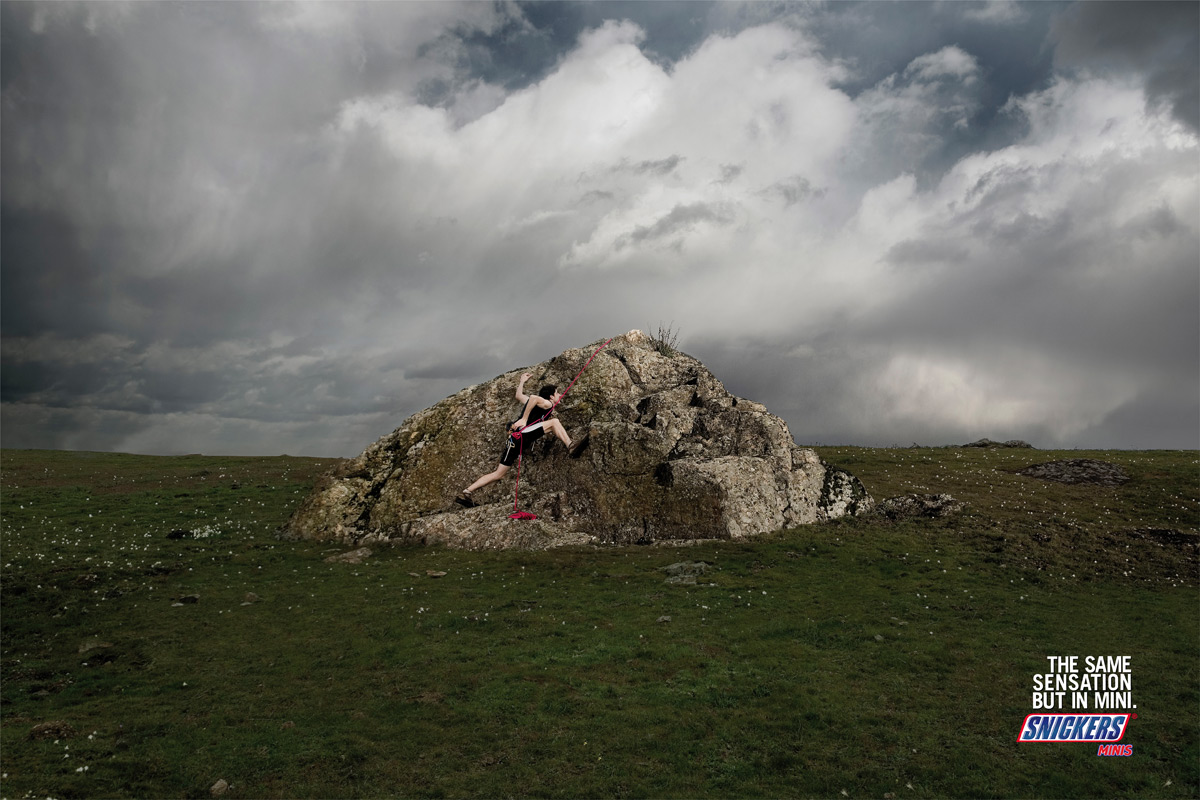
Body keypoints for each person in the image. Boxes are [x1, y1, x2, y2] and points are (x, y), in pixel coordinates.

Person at [454, 371, 587, 508]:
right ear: (551, 396)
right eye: (557, 393)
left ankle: (467, 491)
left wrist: (522, 381)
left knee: (499, 474)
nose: (560, 395)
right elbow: (534, 397)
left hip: (513, 440)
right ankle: (570, 446)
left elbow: (519, 396)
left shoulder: (536, 404)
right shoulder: (547, 403)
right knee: (554, 422)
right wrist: (524, 419)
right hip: (523, 434)